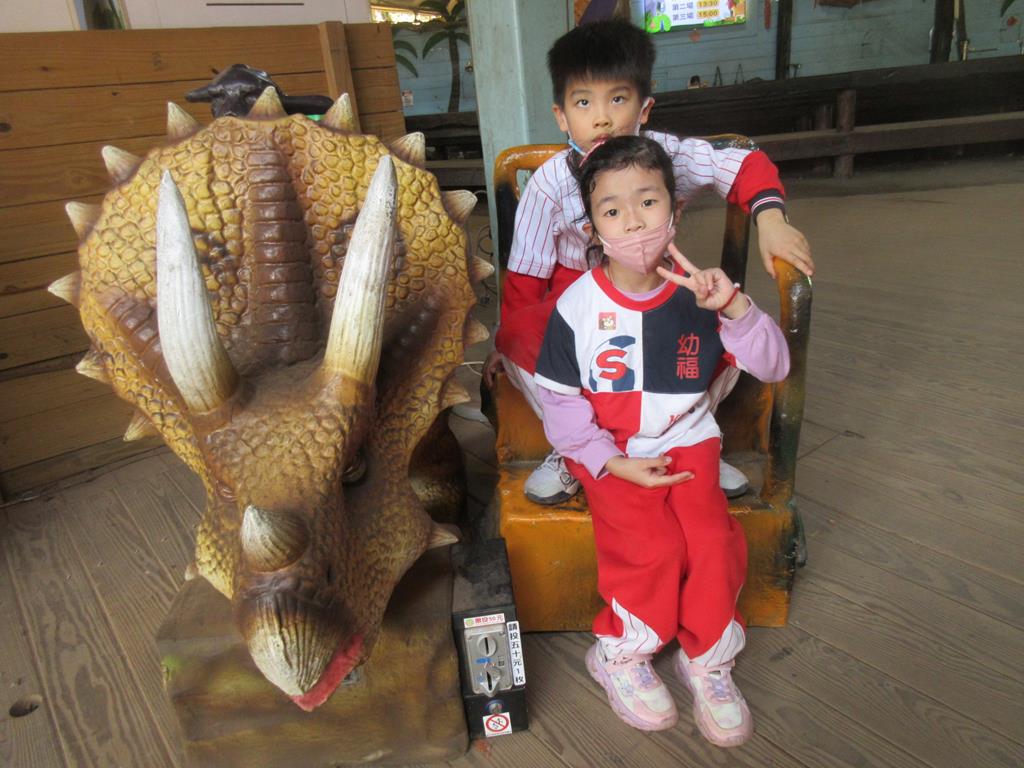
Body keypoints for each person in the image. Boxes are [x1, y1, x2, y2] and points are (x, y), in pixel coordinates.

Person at [483, 19, 812, 505]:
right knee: (519, 337)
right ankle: (577, 450)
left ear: (644, 108)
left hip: (657, 292)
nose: (602, 119)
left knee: (719, 330)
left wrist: (771, 218)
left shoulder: (668, 155)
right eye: (583, 103)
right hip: (579, 304)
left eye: (617, 99)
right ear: (561, 116)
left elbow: (742, 163)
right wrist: (506, 345)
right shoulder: (549, 183)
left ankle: (694, 437)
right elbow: (526, 278)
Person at [533, 135, 790, 744]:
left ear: (675, 210)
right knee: (650, 546)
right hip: (612, 451)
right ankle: (621, 653)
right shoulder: (575, 307)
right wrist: (609, 462)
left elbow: (775, 365)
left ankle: (708, 660)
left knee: (712, 542)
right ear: (593, 227)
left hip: (690, 443)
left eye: (648, 202)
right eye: (612, 209)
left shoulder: (704, 294)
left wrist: (736, 308)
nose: (633, 221)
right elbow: (561, 406)